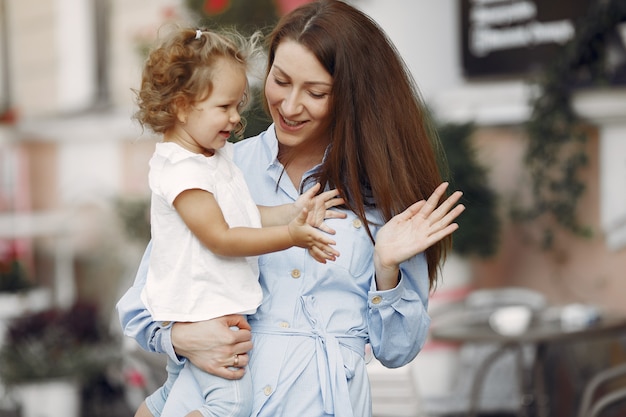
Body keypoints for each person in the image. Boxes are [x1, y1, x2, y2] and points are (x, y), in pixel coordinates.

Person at [117, 1, 466, 416]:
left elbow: (397, 351)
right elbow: (143, 303)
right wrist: (181, 338)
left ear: (351, 98)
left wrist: (386, 268)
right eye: (280, 80)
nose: (289, 105)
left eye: (315, 92)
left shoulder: (384, 195)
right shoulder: (217, 169)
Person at [131, 26, 346, 417]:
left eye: (238, 105)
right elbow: (222, 237)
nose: (235, 118)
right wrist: (290, 236)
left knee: (176, 394)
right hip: (205, 313)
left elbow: (243, 215)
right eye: (224, 107)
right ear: (181, 107)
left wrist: (291, 212)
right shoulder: (183, 173)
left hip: (214, 311)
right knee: (228, 408)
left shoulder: (212, 158)